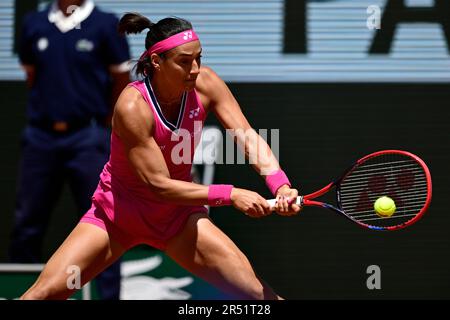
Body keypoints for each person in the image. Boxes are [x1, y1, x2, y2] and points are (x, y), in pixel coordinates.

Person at [20, 12, 301, 300]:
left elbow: (247, 136)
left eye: (199, 58)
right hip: (116, 218)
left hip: (178, 221)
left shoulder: (206, 83)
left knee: (259, 296)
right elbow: (160, 186)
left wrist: (280, 185)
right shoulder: (132, 107)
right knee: (43, 295)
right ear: (157, 61)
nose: (195, 69)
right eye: (184, 61)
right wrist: (230, 194)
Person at [9, 0, 130, 300]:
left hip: (89, 137)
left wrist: (102, 128)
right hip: (41, 137)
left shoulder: (105, 24)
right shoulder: (34, 23)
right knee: (26, 224)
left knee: (104, 225)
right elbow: (32, 76)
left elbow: (121, 82)